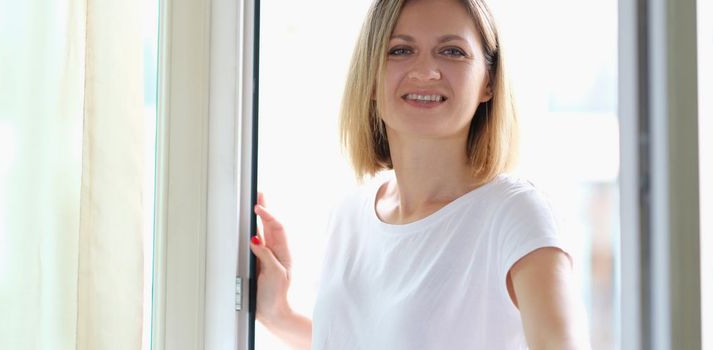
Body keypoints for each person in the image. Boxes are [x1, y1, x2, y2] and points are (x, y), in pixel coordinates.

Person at [248, 0, 586, 348]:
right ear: (371, 80)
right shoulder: (350, 216)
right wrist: (278, 314)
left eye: (452, 51)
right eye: (400, 50)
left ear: (489, 82)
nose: (426, 71)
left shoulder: (515, 214)